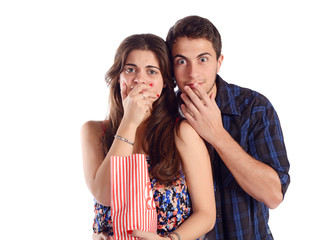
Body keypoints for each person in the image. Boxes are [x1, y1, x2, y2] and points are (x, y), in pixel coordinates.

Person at [166, 16, 291, 240]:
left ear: (219, 61)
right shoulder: (163, 117)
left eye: (203, 59)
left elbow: (273, 196)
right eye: (182, 61)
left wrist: (216, 134)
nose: (193, 73)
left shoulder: (254, 108)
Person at [81, 33, 215, 240]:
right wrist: (129, 123)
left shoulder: (181, 133)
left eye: (151, 71)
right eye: (130, 69)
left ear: (163, 83)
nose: (139, 79)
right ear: (119, 77)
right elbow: (106, 195)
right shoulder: (94, 132)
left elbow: (206, 215)